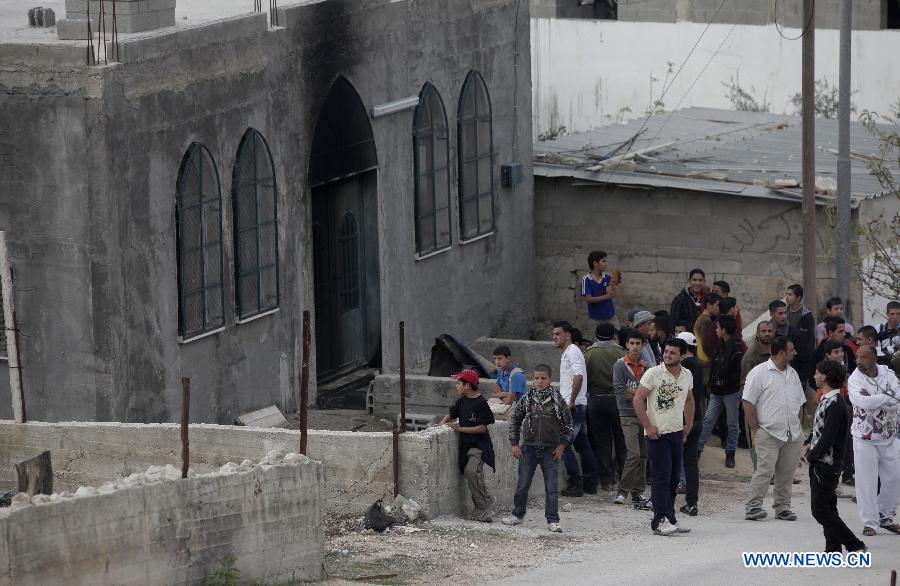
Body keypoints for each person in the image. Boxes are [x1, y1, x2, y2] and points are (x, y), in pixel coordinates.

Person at [803, 360, 867, 553]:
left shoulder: (836, 403)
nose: (814, 376)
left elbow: (829, 437)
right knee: (829, 507)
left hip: (826, 466)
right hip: (823, 463)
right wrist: (810, 442)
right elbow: (821, 430)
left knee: (820, 510)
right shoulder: (828, 400)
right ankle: (833, 549)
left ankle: (855, 544)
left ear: (825, 376)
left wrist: (813, 456)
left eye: (816, 372)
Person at [633, 338, 695, 536]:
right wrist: (648, 427)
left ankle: (670, 518)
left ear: (682, 355)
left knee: (674, 478)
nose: (667, 355)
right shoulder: (653, 373)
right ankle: (659, 520)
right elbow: (637, 399)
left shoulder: (687, 375)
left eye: (673, 353)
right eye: (666, 351)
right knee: (661, 477)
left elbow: (690, 398)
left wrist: (689, 424)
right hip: (657, 434)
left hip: (676, 433)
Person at [742, 336, 806, 521]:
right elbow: (747, 401)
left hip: (792, 434)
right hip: (768, 432)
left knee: (786, 474)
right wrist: (755, 429)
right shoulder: (759, 372)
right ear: (780, 353)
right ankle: (753, 506)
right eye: (791, 350)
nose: (795, 353)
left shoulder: (792, 373)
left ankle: (783, 507)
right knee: (764, 471)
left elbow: (800, 403)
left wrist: (798, 426)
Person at [503, 364, 573, 533]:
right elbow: (515, 420)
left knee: (551, 487)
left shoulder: (558, 400)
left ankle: (553, 520)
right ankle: (517, 515)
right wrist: (514, 444)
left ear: (550, 379)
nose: (539, 382)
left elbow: (568, 424)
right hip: (529, 449)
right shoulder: (527, 398)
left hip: (551, 450)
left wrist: (562, 446)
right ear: (532, 379)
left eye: (543, 378)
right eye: (536, 378)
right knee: (522, 484)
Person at [847, 345, 900, 536]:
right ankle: (870, 522)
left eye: (863, 357)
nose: (858, 361)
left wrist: (874, 398)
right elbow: (862, 403)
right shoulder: (855, 378)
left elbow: (898, 398)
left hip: (889, 435)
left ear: (874, 359)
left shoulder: (889, 375)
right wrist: (886, 398)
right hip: (864, 439)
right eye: (857, 357)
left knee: (894, 479)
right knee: (866, 483)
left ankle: (885, 517)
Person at [440, 369, 497, 522]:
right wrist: (441, 424)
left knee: (472, 471)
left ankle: (485, 502)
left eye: (459, 383)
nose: (456, 386)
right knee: (469, 472)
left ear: (467, 385)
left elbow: (482, 428)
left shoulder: (480, 403)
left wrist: (459, 429)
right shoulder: (462, 401)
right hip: (465, 445)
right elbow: (451, 414)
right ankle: (482, 508)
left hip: (479, 445)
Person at [552, 321, 598, 497]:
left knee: (562, 444)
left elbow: (578, 376)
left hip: (574, 406)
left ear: (567, 335)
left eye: (558, 334)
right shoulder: (569, 353)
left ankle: (576, 483)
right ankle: (590, 482)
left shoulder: (572, 351)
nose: (555, 337)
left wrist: (571, 401)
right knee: (582, 444)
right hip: (576, 405)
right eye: (553, 335)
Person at [584, 322, 627, 492]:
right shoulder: (622, 353)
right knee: (622, 441)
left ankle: (607, 481)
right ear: (613, 335)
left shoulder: (589, 354)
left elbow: (585, 379)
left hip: (597, 401)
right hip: (619, 401)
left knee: (603, 442)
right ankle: (625, 478)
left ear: (596, 335)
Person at [697, 315, 744, 468]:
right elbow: (715, 366)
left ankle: (730, 453)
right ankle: (697, 450)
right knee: (708, 420)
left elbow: (737, 373)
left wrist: (724, 382)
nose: (716, 330)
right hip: (717, 392)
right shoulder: (721, 344)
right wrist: (712, 383)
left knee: (732, 424)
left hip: (730, 392)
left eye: (718, 327)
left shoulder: (736, 347)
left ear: (724, 330)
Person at [612, 329, 651, 508]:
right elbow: (619, 390)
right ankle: (623, 490)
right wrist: (640, 394)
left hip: (643, 414)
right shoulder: (620, 365)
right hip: (627, 414)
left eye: (638, 343)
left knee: (643, 455)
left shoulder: (646, 367)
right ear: (627, 345)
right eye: (632, 343)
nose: (635, 347)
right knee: (633, 453)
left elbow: (651, 391)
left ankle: (638, 493)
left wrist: (636, 394)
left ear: (643, 346)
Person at [770, 299, 814, 424]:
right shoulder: (767, 331)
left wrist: (800, 380)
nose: (784, 316)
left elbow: (805, 359)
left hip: (793, 380)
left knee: (794, 415)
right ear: (772, 314)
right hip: (772, 380)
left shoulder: (796, 335)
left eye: (785, 313)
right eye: (780, 313)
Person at [676, 331, 705, 517]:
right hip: (697, 418)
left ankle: (662, 501)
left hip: (683, 420)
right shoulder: (699, 365)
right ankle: (691, 503)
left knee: (671, 461)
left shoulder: (684, 366)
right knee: (691, 463)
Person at [740, 321, 775, 471]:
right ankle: (760, 472)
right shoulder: (751, 356)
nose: (767, 334)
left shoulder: (777, 350)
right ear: (758, 333)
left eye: (770, 330)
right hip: (756, 406)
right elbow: (745, 386)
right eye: (764, 331)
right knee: (756, 440)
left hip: (773, 405)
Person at [581, 250, 619, 329]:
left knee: (616, 339)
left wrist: (614, 284)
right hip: (595, 319)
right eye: (604, 261)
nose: (606, 264)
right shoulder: (586, 279)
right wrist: (607, 296)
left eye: (606, 261)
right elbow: (589, 299)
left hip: (611, 317)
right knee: (594, 341)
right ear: (595, 263)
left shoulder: (608, 277)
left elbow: (612, 293)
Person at [670, 269, 707, 333]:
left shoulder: (707, 297)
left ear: (704, 281)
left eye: (700, 280)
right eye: (694, 280)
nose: (697, 283)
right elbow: (673, 323)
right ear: (689, 281)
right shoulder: (679, 300)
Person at [693, 292, 721, 367]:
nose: (719, 308)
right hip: (705, 360)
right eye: (717, 305)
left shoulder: (703, 318)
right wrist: (712, 356)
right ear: (709, 305)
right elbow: (705, 341)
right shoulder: (705, 320)